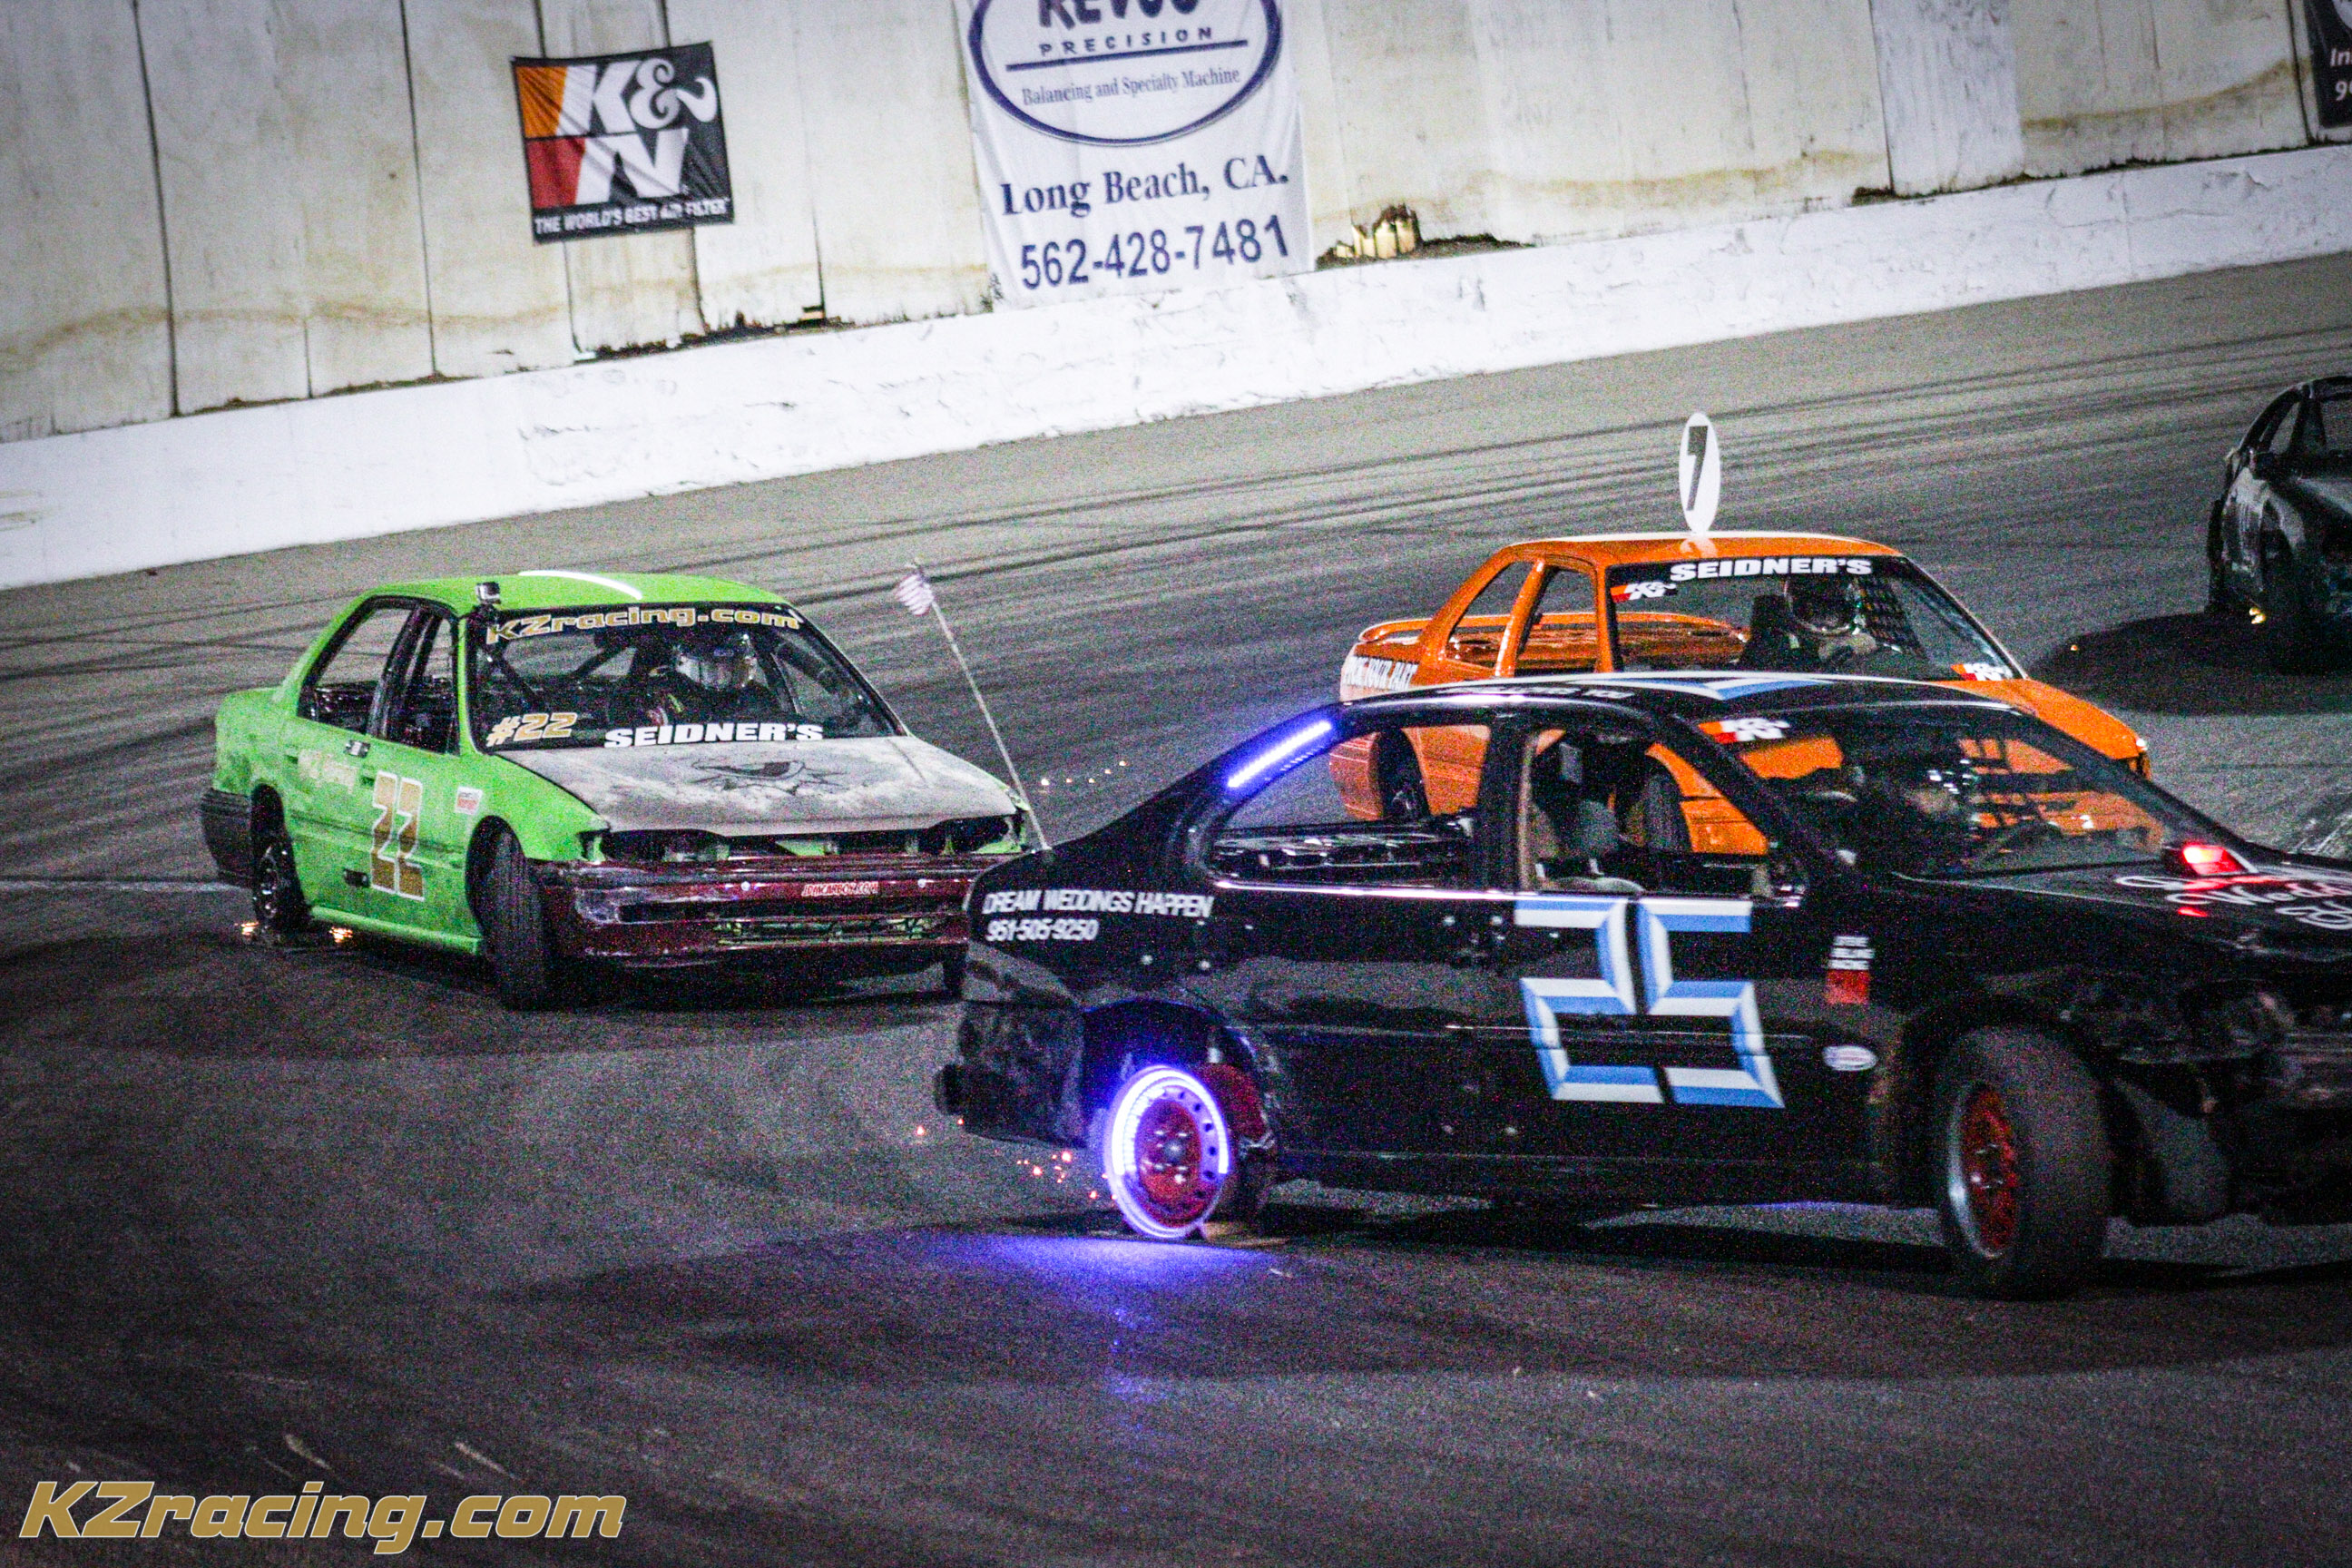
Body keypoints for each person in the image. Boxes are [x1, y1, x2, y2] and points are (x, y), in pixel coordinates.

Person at [619, 628, 776, 727]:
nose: (722, 677)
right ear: (685, 665)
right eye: (711, 670)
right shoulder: (657, 696)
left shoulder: (758, 698)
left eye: (732, 669)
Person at [1740, 577, 1881, 671]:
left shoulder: (1867, 642)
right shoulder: (1771, 644)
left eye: (1834, 610)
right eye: (1816, 610)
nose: (1826, 619)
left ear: (1849, 610)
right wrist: (1818, 656)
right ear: (1797, 606)